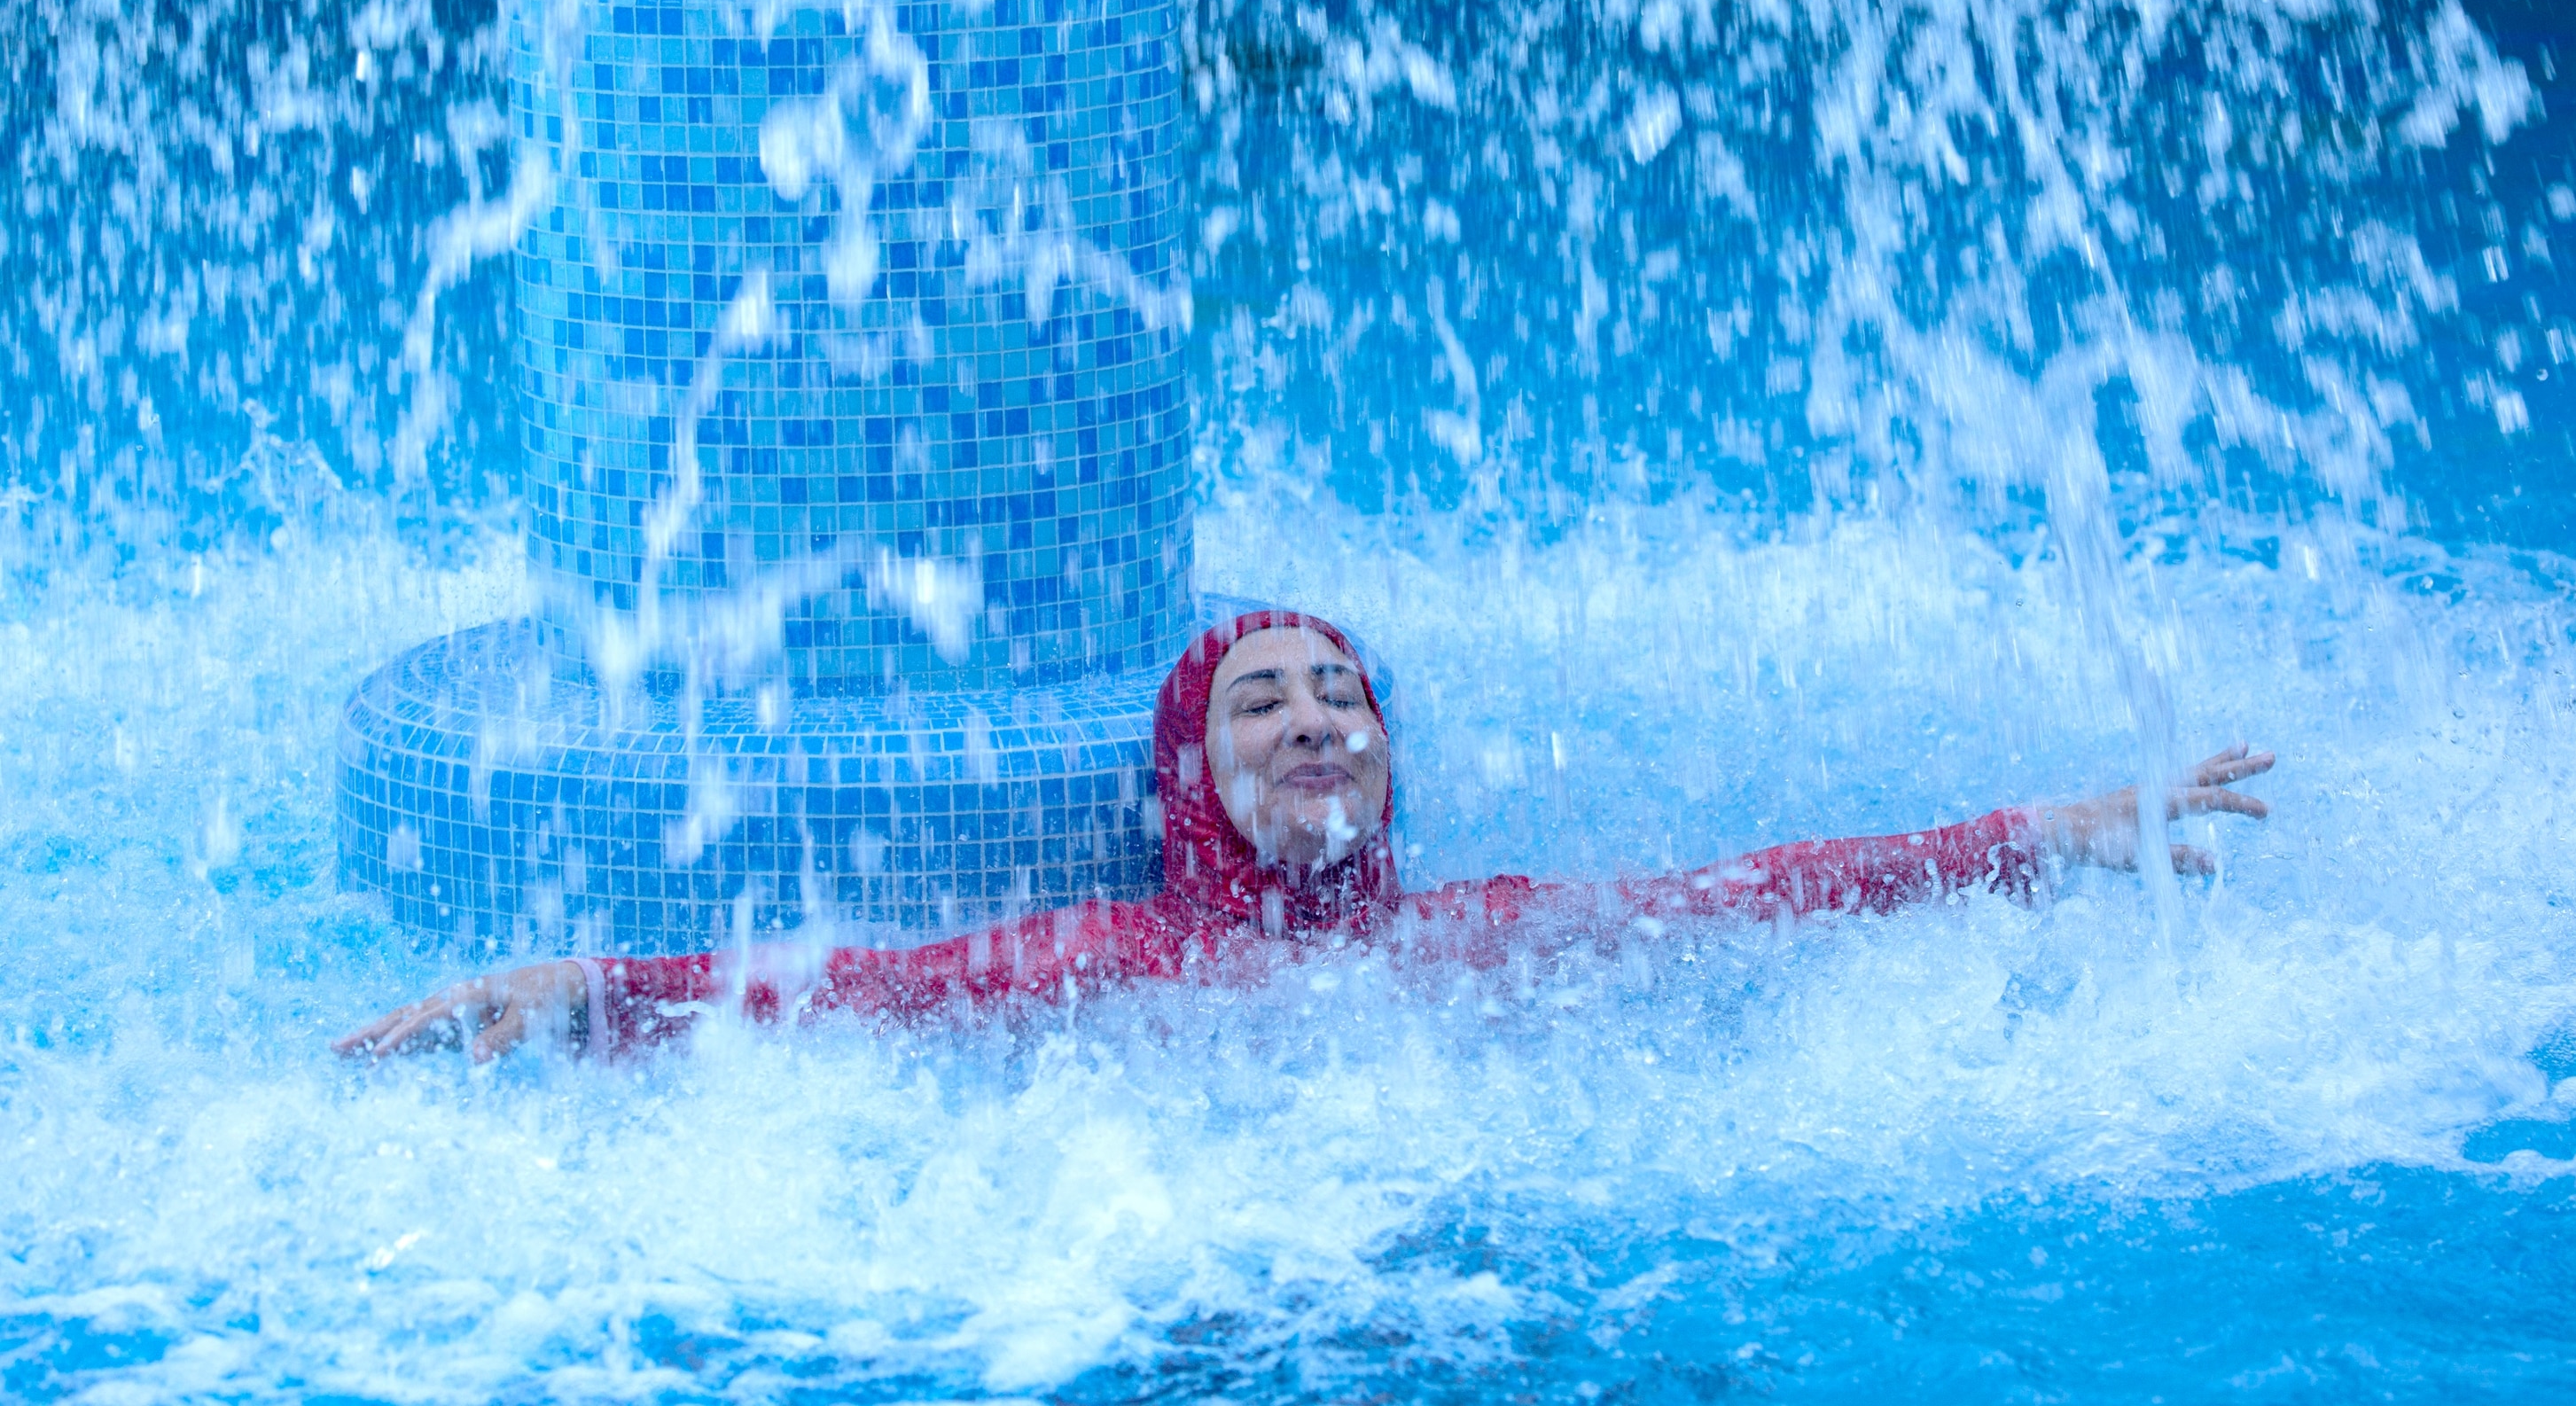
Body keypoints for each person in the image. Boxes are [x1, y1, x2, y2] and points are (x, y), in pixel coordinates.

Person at [333, 609, 2273, 1063]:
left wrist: (2038, 827)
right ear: (1197, 778)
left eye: (1339, 692)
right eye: (1261, 703)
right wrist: (582, 993)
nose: (1317, 717)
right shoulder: (1114, 959)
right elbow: (847, 995)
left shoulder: (1476, 932)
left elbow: (1757, 892)